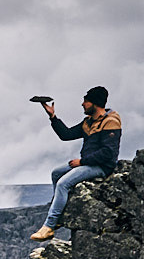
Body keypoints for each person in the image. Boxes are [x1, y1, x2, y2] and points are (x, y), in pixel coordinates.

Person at [30, 86, 122, 241]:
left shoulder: (110, 121)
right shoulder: (89, 122)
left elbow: (108, 153)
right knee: (56, 173)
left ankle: (49, 226)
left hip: (101, 166)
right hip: (87, 163)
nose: (82, 104)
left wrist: (82, 162)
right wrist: (53, 117)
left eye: (86, 101)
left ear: (95, 103)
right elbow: (66, 135)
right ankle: (59, 217)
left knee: (63, 183)